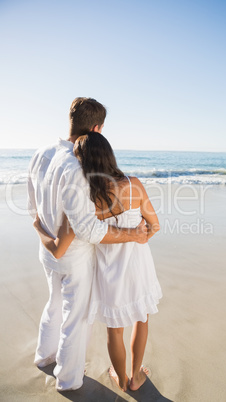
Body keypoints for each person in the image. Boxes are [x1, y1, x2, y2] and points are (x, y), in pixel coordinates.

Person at [27, 97, 148, 392]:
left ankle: (45, 356)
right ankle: (69, 380)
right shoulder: (78, 165)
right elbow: (89, 229)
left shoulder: (41, 152)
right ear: (95, 129)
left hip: (49, 249)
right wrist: (133, 235)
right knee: (76, 318)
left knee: (53, 303)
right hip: (74, 256)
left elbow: (33, 204)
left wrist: (42, 232)